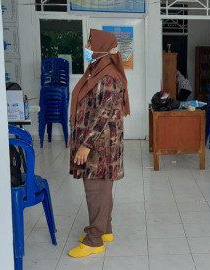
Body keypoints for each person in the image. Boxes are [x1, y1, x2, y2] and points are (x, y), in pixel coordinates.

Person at [67, 29, 130, 258]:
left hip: (99, 146)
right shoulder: (97, 71)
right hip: (98, 143)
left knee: (95, 190)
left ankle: (95, 240)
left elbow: (103, 115)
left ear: (102, 47)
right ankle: (105, 230)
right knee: (102, 188)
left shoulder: (109, 77)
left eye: (90, 43)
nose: (87, 47)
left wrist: (85, 144)